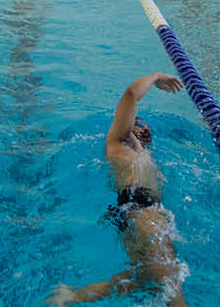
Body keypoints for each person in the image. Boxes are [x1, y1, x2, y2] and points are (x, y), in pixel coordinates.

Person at [47, 73, 189, 307]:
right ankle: (75, 295)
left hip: (134, 215)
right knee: (170, 280)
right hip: (143, 213)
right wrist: (155, 77)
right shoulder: (116, 144)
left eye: (146, 128)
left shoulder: (143, 158)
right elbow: (131, 94)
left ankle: (75, 295)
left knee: (146, 276)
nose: (143, 129)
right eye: (138, 123)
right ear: (127, 126)